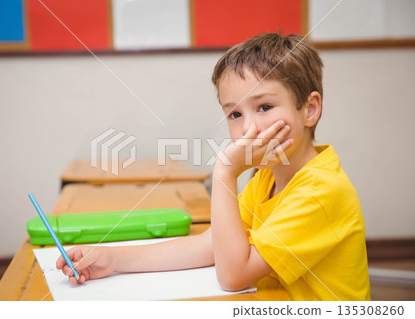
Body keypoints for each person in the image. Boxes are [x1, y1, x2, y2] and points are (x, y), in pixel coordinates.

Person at [56, 33, 370, 301]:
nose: (249, 129)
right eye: (235, 114)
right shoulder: (267, 178)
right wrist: (113, 259)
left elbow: (233, 276)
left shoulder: (320, 190)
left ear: (310, 109)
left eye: (264, 107)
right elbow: (211, 245)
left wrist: (225, 171)